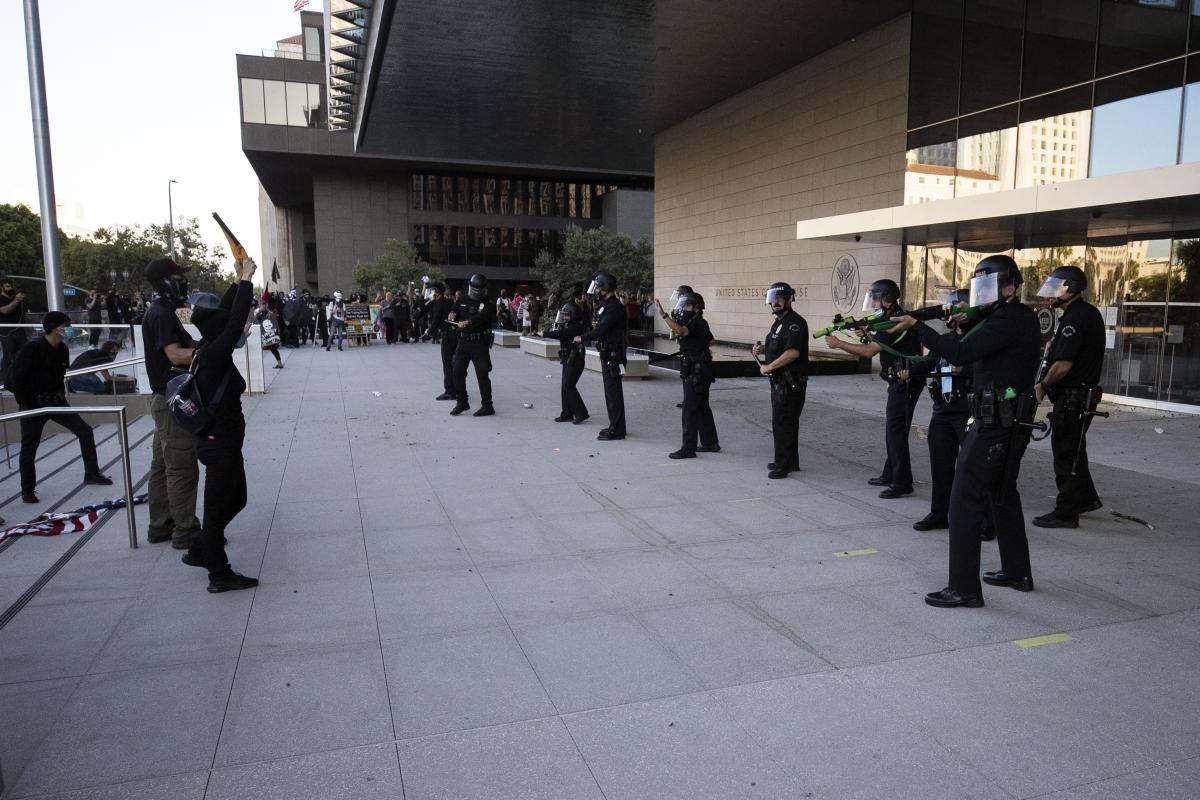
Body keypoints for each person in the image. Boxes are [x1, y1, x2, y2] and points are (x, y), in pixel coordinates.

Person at [887, 254, 1042, 608]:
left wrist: (918, 326)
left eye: (991, 286)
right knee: (1002, 495)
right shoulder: (1011, 317)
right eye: (980, 287)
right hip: (1006, 421)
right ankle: (1017, 572)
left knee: (963, 501)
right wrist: (960, 323)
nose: (983, 295)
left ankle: (964, 588)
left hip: (996, 423)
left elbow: (959, 352)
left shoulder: (1009, 319)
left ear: (1011, 287)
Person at [179, 258, 261, 593]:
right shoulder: (213, 354)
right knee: (215, 513)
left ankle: (202, 547)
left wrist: (237, 280)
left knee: (237, 499)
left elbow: (226, 314)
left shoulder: (206, 348)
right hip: (218, 444)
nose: (230, 326)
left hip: (224, 442)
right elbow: (234, 319)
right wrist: (247, 279)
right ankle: (218, 573)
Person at [824, 278, 923, 498]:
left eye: (875, 299)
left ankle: (902, 482)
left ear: (886, 298)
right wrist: (867, 334)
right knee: (894, 431)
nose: (873, 304)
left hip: (905, 380)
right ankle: (891, 474)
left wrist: (839, 344)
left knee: (896, 431)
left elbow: (869, 352)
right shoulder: (891, 317)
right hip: (900, 380)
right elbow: (884, 344)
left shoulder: (893, 321)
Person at [9, 311, 113, 503]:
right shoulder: (32, 349)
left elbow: (60, 376)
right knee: (29, 446)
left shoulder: (62, 349)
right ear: (54, 328)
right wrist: (26, 403)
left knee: (85, 431)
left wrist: (59, 396)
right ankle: (27, 490)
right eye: (65, 325)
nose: (69, 329)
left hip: (56, 402)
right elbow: (14, 379)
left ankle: (91, 473)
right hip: (33, 405)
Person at [1032, 265, 1106, 529]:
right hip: (1080, 396)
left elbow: (1063, 365)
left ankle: (1066, 512)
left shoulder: (1075, 319)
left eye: (1055, 289)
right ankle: (1084, 499)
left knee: (1066, 454)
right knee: (1075, 450)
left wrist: (1042, 386)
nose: (1049, 295)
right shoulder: (1084, 313)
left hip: (1074, 397)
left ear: (1071, 289)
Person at [142, 257, 202, 549]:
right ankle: (185, 530)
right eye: (179, 277)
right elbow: (176, 354)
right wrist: (209, 354)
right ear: (166, 281)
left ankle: (161, 525)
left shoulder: (166, 311)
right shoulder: (161, 314)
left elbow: (190, 343)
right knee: (181, 466)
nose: (183, 282)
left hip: (164, 398)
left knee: (162, 465)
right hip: (171, 401)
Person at [907, 289, 974, 532]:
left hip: (968, 411)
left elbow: (989, 368)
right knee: (941, 466)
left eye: (955, 309)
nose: (950, 314)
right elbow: (930, 361)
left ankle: (984, 520)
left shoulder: (979, 339)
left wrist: (965, 369)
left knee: (973, 468)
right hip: (943, 410)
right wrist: (908, 370)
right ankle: (938, 514)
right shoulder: (947, 339)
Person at [752, 282, 809, 478]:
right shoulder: (778, 323)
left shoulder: (795, 323)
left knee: (784, 422)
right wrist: (762, 350)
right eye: (773, 299)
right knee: (784, 422)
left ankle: (784, 464)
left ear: (788, 300)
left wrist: (769, 366)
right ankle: (788, 461)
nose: (775, 302)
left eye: (779, 298)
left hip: (790, 383)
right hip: (780, 383)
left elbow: (792, 352)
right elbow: (778, 347)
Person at [656, 291, 718, 458]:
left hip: (698, 370)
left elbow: (681, 331)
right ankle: (710, 443)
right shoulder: (697, 322)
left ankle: (688, 448)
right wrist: (697, 346)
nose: (684, 309)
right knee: (702, 407)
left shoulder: (697, 323)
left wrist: (664, 315)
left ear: (697, 308)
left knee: (689, 410)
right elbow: (711, 340)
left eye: (688, 306)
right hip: (698, 367)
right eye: (684, 305)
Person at [577, 271, 627, 440]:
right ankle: (614, 425)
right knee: (610, 392)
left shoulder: (614, 307)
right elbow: (600, 325)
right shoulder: (606, 305)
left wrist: (583, 337)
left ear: (605, 287)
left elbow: (601, 329)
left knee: (613, 393)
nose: (596, 290)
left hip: (614, 354)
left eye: (598, 287)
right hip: (607, 352)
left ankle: (617, 430)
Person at [450, 274, 497, 416]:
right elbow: (454, 309)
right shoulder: (463, 299)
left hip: (479, 343)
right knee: (457, 371)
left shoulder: (488, 303)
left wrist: (468, 322)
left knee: (482, 374)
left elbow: (482, 317)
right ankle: (462, 402)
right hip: (463, 342)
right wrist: (452, 313)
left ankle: (487, 406)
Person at [543, 284, 590, 424]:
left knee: (569, 386)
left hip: (574, 359)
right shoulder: (569, 325)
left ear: (572, 315)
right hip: (568, 358)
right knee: (565, 386)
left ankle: (581, 413)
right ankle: (567, 413)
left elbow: (561, 334)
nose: (563, 316)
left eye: (566, 314)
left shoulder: (575, 327)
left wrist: (546, 333)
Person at [426, 283, 457, 399]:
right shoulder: (450, 302)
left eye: (432, 291)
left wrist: (428, 332)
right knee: (454, 363)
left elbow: (436, 320)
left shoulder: (439, 303)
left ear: (436, 291)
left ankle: (449, 391)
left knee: (447, 364)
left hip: (447, 336)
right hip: (455, 335)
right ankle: (457, 388)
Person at [0, 278, 29, 388]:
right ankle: (3, 381)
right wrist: (16, 300)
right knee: (8, 356)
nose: (10, 288)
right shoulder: (1, 298)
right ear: (2, 287)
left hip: (19, 331)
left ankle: (23, 377)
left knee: (25, 353)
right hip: (6, 332)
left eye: (11, 286)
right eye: (7, 286)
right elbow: (4, 310)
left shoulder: (14, 298)